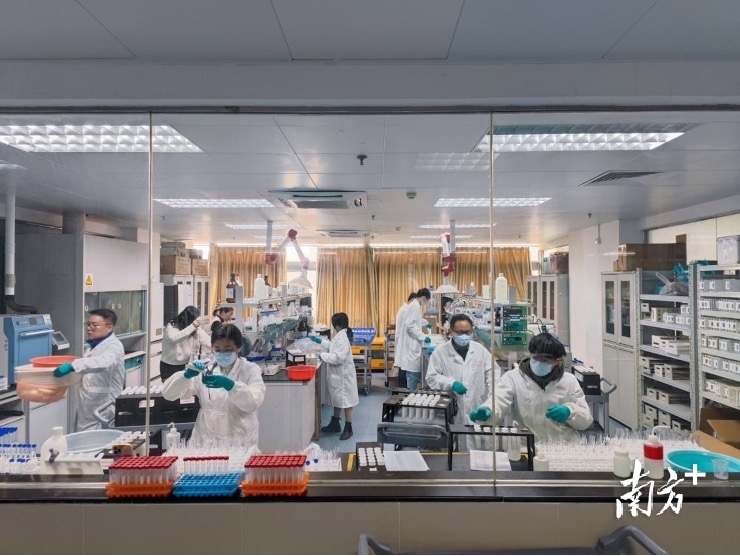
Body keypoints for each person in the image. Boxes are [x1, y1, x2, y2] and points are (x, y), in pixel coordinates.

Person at [469, 333, 592, 441]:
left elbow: (586, 421)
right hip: (526, 445)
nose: (539, 363)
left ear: (557, 361)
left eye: (545, 360)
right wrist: (488, 410)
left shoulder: (569, 381)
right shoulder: (513, 378)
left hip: (563, 446)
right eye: (536, 358)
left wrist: (570, 412)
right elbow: (499, 401)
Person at [162, 323, 265, 446]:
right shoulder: (205, 369)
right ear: (212, 348)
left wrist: (230, 385)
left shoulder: (250, 370)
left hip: (239, 441)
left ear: (238, 348)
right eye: (217, 349)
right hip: (206, 439)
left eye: (227, 350)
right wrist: (185, 376)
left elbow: (253, 402)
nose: (222, 353)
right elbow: (168, 394)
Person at [426, 314, 500, 450]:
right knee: (455, 447)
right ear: (451, 332)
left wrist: (491, 403)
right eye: (460, 332)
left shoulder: (480, 351)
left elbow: (493, 375)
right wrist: (451, 383)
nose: (464, 336)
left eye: (468, 332)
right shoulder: (440, 352)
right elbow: (431, 377)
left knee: (479, 448)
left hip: (478, 406)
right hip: (453, 409)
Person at [53, 308, 125, 431]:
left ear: (109, 327)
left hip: (103, 406)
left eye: (94, 325)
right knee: (85, 436)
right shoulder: (94, 344)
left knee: (99, 439)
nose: (89, 328)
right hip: (89, 402)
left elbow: (105, 362)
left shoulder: (113, 346)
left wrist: (73, 366)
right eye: (88, 324)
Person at [311, 312, 358, 440]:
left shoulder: (342, 339)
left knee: (346, 402)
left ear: (336, 325)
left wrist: (321, 355)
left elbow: (337, 358)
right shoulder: (340, 335)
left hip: (343, 376)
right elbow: (333, 346)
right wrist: (320, 341)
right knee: (338, 399)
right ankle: (335, 423)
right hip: (339, 375)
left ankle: (349, 428)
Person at [394, 287, 432, 390]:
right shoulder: (414, 307)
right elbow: (410, 325)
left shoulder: (414, 305)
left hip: (410, 343)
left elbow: (416, 320)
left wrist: (426, 323)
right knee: (412, 374)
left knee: (411, 374)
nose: (425, 303)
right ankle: (410, 394)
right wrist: (423, 336)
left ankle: (410, 393)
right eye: (426, 300)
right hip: (411, 345)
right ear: (424, 297)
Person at [160, 305, 211, 381]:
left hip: (187, 365)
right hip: (170, 366)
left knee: (186, 387)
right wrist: (192, 326)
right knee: (171, 387)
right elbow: (174, 339)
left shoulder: (195, 329)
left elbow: (208, 342)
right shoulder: (171, 327)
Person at [393, 292, 416, 388]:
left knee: (403, 366)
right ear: (412, 300)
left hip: (402, 340)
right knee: (403, 367)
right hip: (403, 340)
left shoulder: (405, 308)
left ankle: (402, 387)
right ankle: (402, 388)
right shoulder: (406, 309)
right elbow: (410, 325)